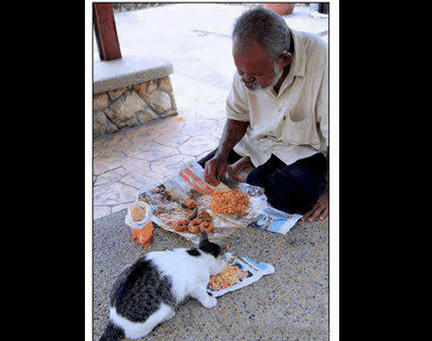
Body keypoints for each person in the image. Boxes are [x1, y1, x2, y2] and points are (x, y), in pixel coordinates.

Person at [198, 7, 328, 222]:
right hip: (258, 142)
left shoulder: (324, 60)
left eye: (255, 75)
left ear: (283, 60)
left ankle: (247, 173)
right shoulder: (249, 63)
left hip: (303, 151)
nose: (246, 80)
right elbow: (237, 114)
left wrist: (329, 193)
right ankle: (248, 170)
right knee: (204, 171)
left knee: (295, 198)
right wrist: (221, 154)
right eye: (241, 72)